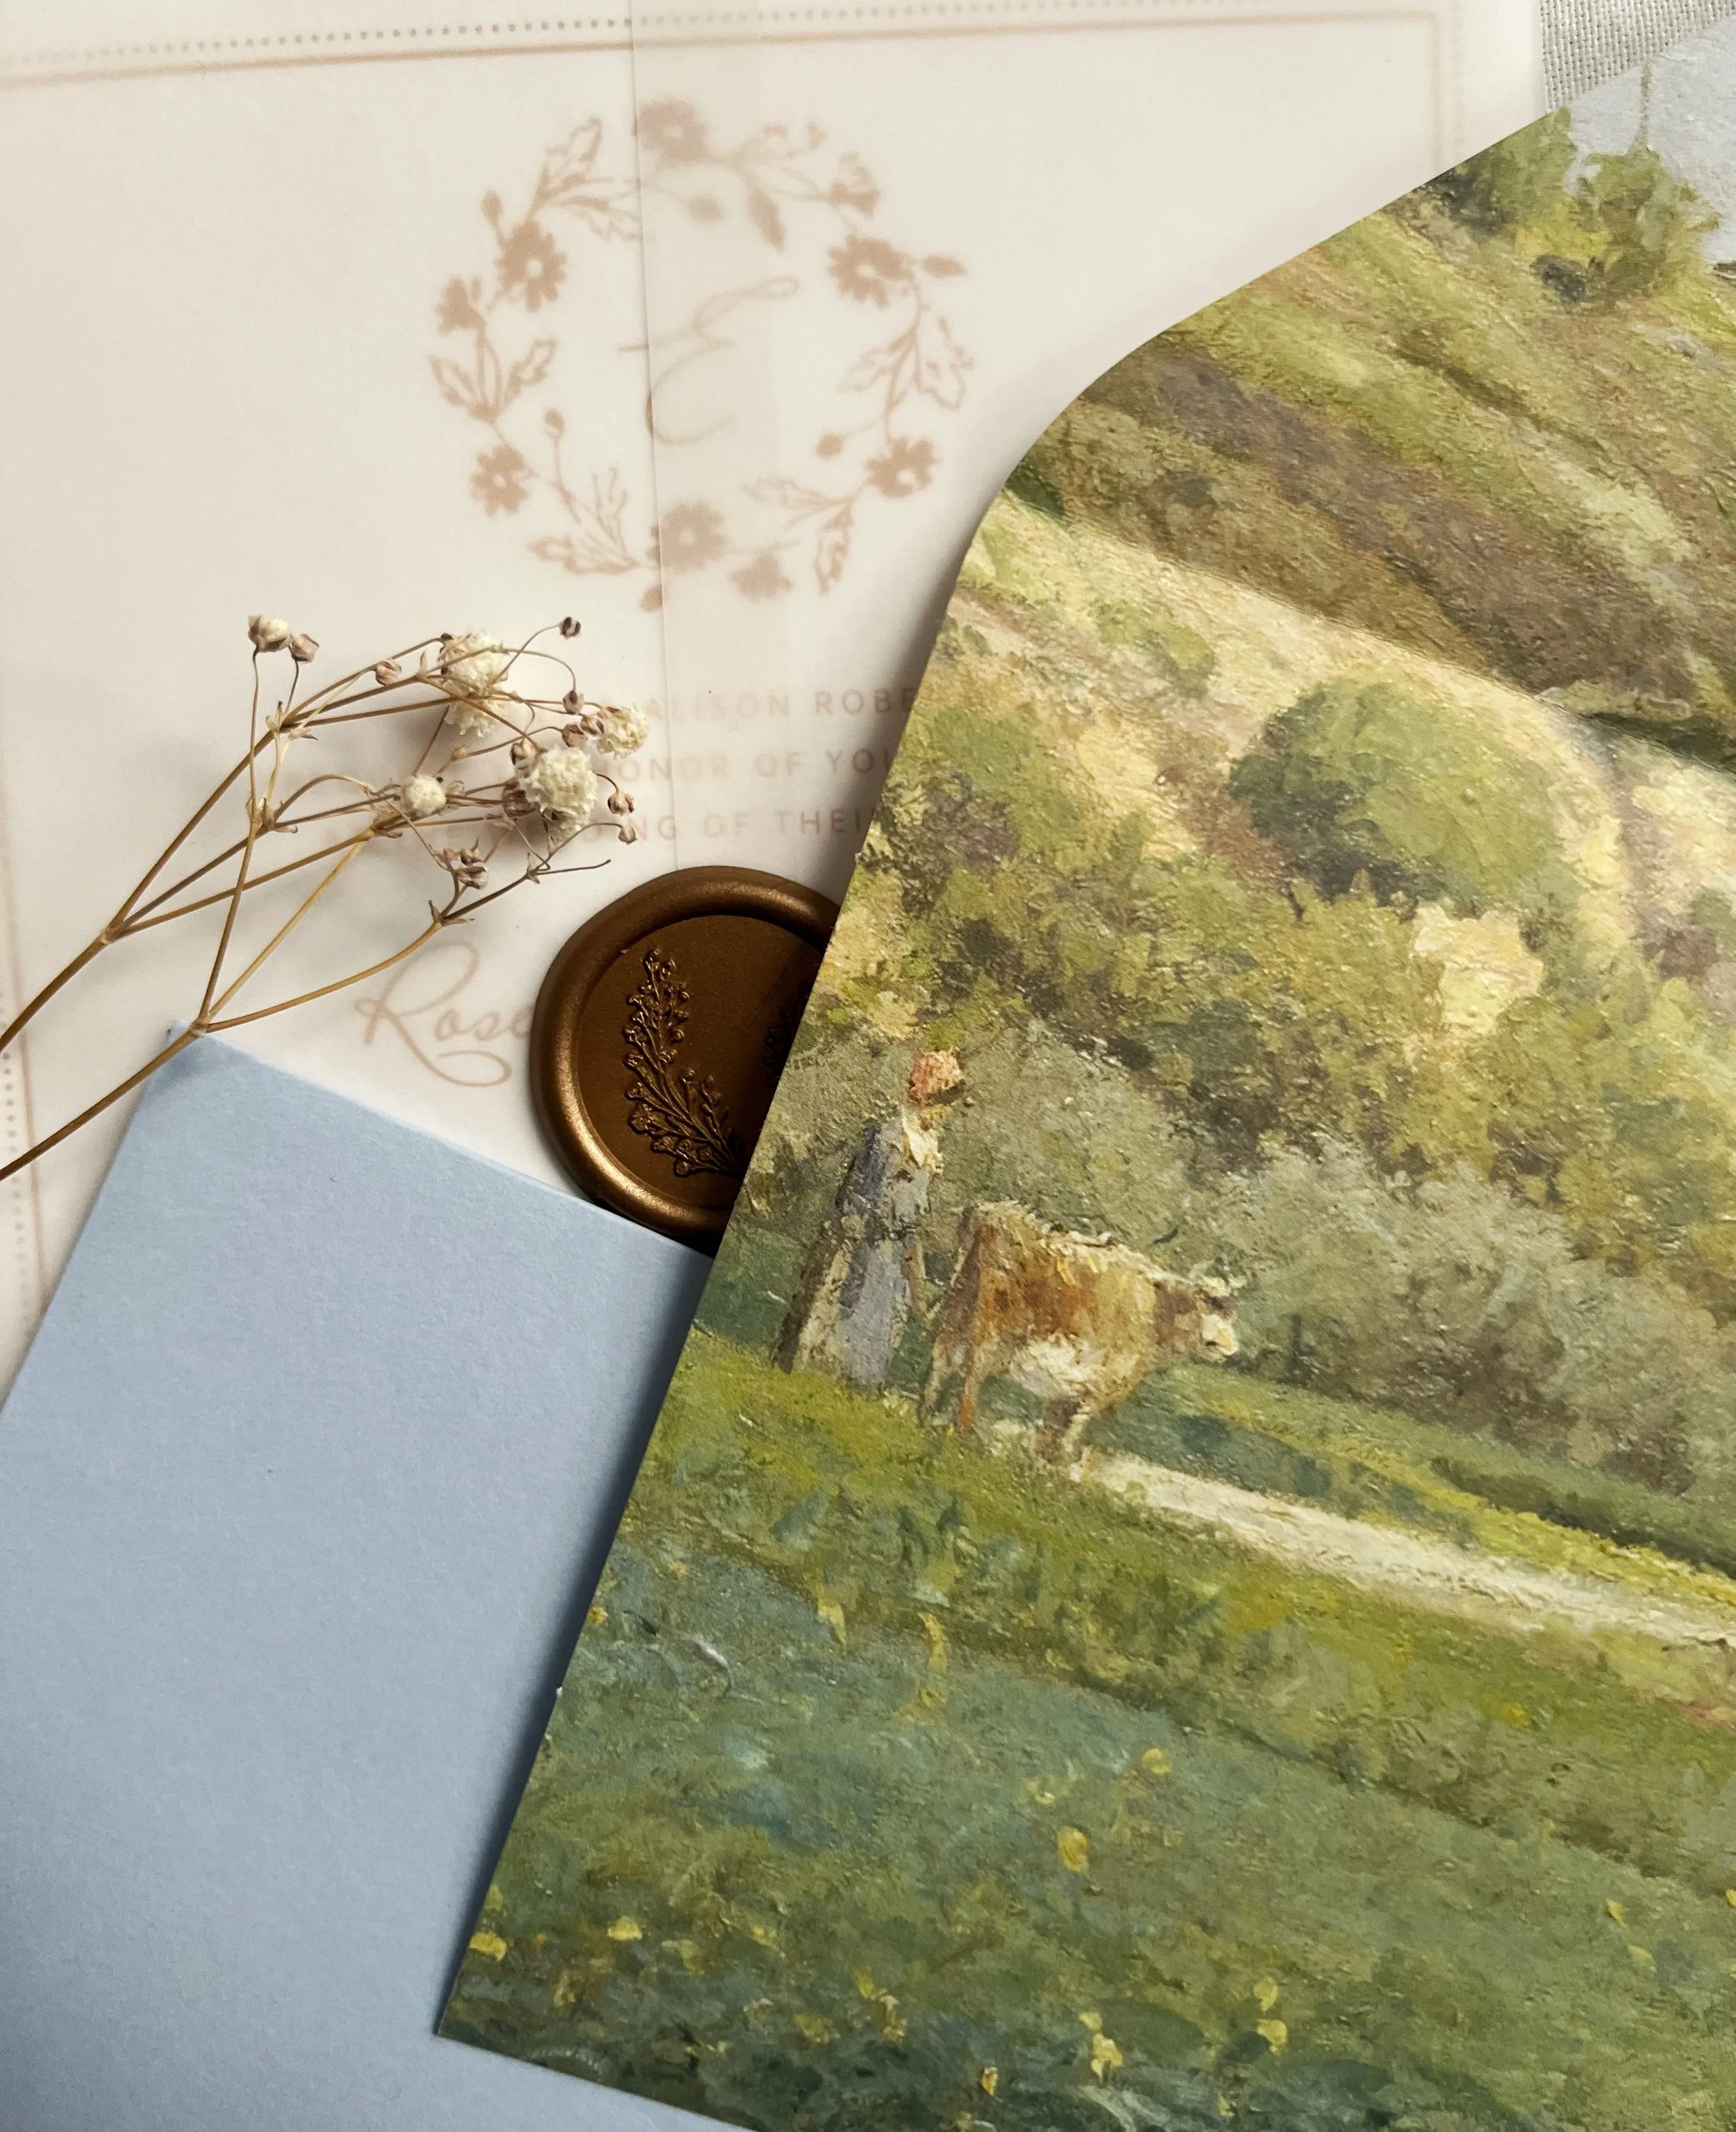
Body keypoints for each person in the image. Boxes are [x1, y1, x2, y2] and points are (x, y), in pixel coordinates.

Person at [775, 1049, 964, 1388]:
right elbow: (860, 1194)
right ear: (927, 1098)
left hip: (894, 1250)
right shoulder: (887, 1137)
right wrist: (875, 1223)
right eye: (943, 1102)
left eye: (948, 1105)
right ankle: (813, 1378)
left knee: (881, 1316)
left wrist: (909, 1240)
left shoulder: (929, 1147)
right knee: (841, 1308)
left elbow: (915, 1205)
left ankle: (858, 1388)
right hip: (861, 1240)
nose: (946, 1113)